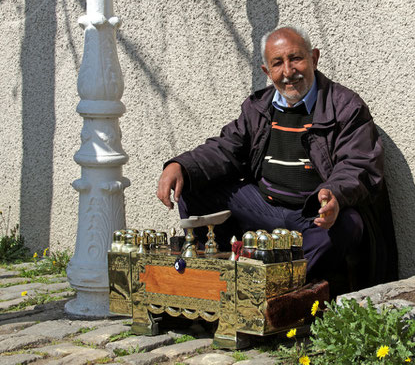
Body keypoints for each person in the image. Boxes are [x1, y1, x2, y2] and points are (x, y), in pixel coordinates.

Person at [157, 26, 397, 295]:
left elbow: (359, 164)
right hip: (264, 207)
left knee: (348, 225)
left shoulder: (345, 106)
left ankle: (265, 290)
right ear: (266, 72)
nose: (288, 71)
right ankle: (216, 279)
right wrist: (180, 166)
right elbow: (226, 148)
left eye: (296, 59)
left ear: (314, 58)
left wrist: (335, 195)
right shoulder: (258, 107)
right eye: (277, 63)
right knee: (192, 184)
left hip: (311, 215)